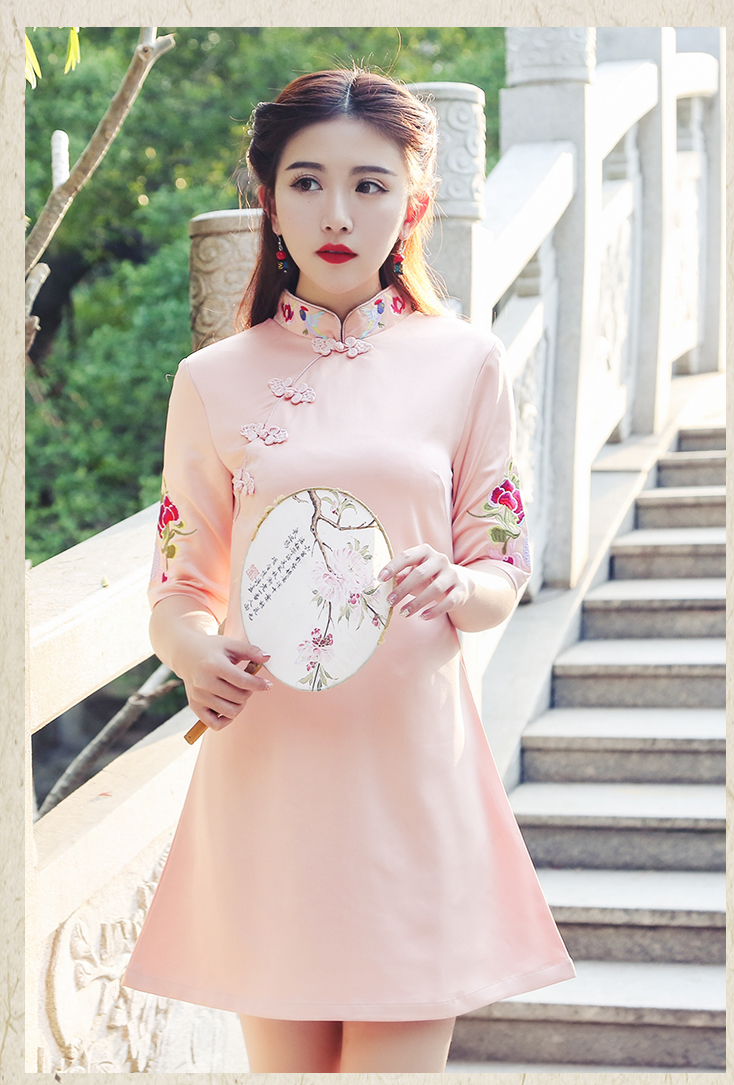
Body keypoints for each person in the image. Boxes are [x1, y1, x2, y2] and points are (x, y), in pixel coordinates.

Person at [123, 67, 575, 1073]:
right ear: (270, 198)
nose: (337, 212)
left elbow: (499, 567)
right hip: (271, 775)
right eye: (308, 182)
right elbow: (179, 585)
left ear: (412, 203)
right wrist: (195, 653)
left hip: (411, 777)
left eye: (369, 185)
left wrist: (458, 586)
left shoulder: (466, 362)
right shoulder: (211, 381)